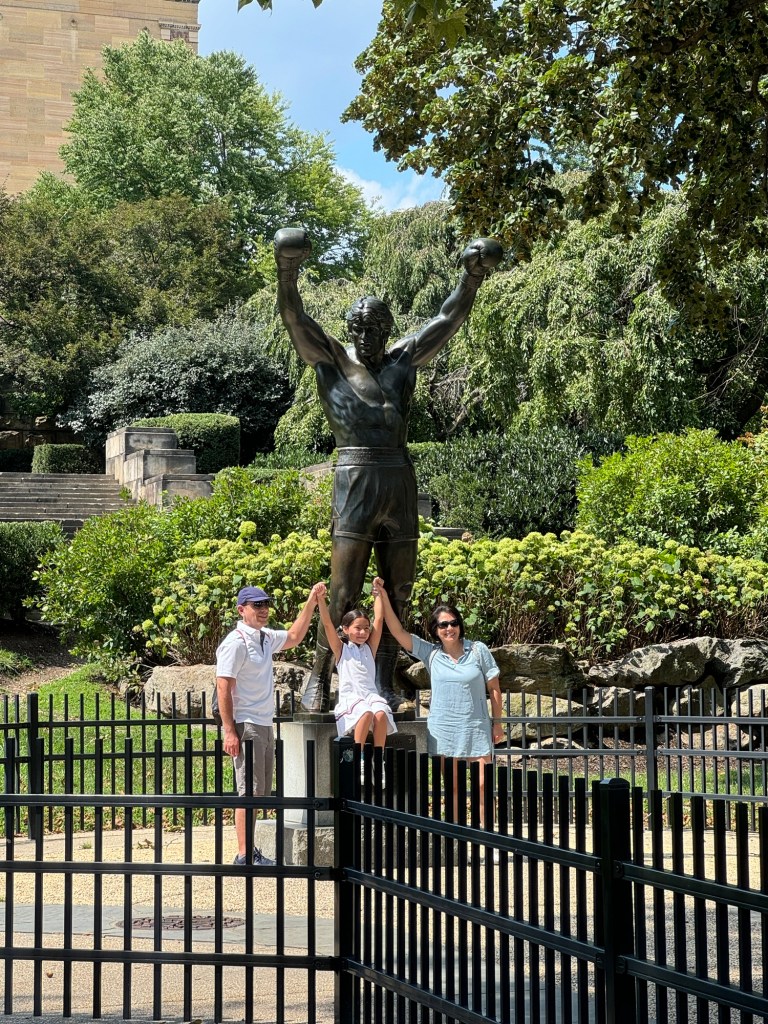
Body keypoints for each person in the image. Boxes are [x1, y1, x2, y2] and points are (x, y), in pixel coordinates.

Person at [274, 227, 503, 715]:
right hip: (354, 476)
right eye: (359, 329)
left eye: (376, 330)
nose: (367, 338)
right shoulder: (332, 359)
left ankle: (384, 679)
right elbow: (293, 316)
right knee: (342, 590)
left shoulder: (404, 359)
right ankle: (320, 677)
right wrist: (286, 270)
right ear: (350, 330)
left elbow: (448, 318)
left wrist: (471, 278)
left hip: (397, 476)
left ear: (387, 330)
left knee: (398, 590)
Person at [371, 577, 504, 821]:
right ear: (436, 630)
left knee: (483, 786)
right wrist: (383, 596)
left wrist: (498, 723)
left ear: (460, 625)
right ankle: (456, 836)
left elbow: (494, 689)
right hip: (444, 730)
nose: (449, 628)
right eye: (443, 625)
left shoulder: (478, 650)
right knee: (453, 788)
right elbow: (398, 631)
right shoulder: (430, 653)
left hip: (476, 728)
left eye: (453, 623)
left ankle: (485, 835)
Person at [215, 582, 324, 865]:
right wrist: (229, 731)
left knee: (260, 791)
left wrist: (312, 602)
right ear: (241, 610)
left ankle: (248, 851)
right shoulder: (235, 643)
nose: (263, 609)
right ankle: (244, 855)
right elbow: (222, 686)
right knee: (248, 791)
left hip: (263, 723)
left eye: (265, 604)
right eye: (257, 605)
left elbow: (294, 636)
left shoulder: (264, 638)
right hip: (246, 723)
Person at [314, 582, 397, 760]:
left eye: (366, 628)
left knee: (381, 712)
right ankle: (359, 758)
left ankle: (379, 757)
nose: (363, 632)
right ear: (345, 629)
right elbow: (327, 625)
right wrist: (321, 599)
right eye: (357, 628)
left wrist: (378, 594)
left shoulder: (369, 648)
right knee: (365, 712)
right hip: (351, 697)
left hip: (370, 695)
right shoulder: (342, 649)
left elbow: (379, 619)